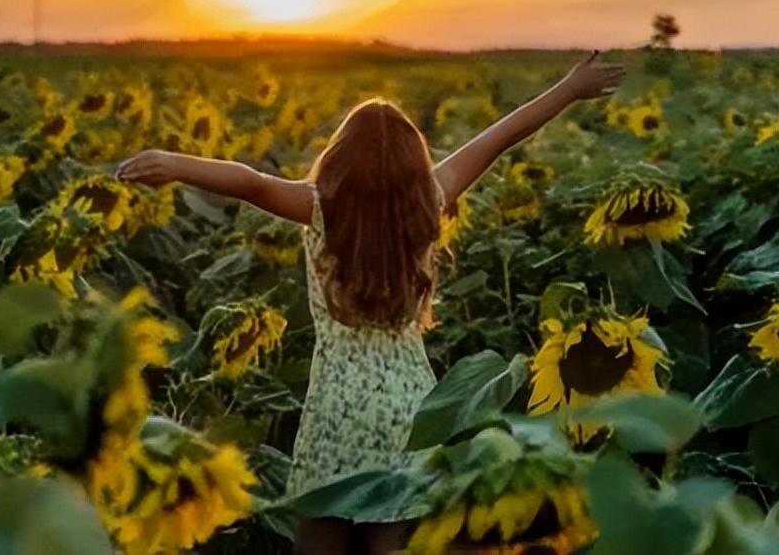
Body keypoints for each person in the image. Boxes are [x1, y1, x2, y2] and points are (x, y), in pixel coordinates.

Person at [115, 52, 626, 555]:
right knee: (394, 539)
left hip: (336, 409)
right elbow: (496, 139)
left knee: (320, 537)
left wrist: (177, 164)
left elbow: (252, 183)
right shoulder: (430, 197)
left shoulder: (320, 208)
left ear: (340, 159)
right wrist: (568, 89)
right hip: (410, 408)